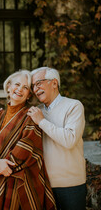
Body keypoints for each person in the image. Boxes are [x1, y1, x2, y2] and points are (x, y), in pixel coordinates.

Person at [0, 70, 56, 210]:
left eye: (25, 87)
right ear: (8, 87)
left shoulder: (30, 118)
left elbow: (24, 151)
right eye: (17, 84)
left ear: (29, 95)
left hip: (18, 185)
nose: (20, 89)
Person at [27, 67, 86, 210]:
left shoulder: (73, 106)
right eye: (33, 85)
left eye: (39, 83)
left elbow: (70, 140)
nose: (35, 89)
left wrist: (41, 121)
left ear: (54, 83)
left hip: (71, 185)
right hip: (44, 185)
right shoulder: (36, 111)